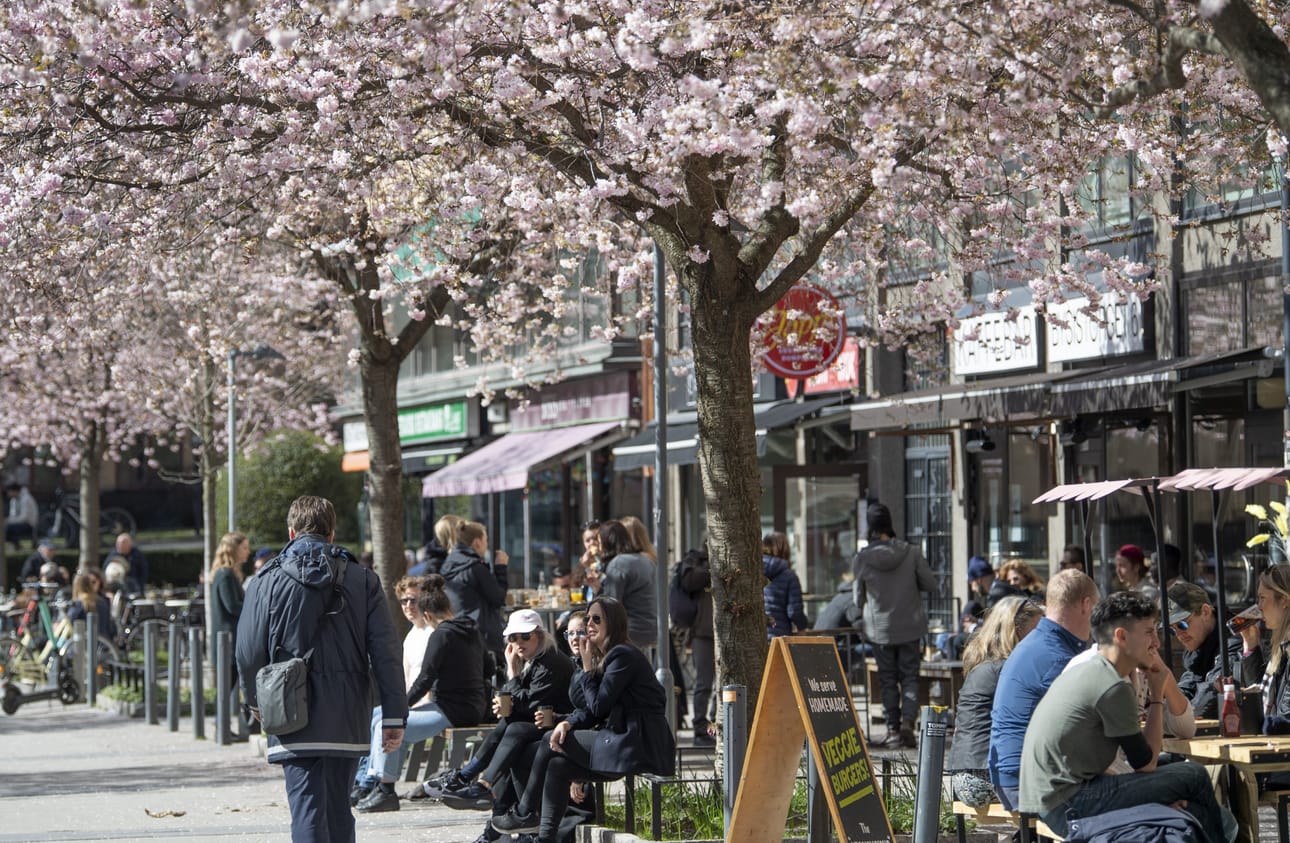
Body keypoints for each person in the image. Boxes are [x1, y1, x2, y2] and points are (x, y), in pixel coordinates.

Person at [235, 495, 407, 843]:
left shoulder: (265, 581)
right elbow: (386, 651)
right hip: (347, 712)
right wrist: (393, 716)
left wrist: (255, 700)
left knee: (307, 807)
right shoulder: (363, 579)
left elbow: (248, 649)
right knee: (339, 810)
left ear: (291, 532)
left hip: (289, 707)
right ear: (332, 534)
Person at [1018, 591, 1229, 843]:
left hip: (1056, 800)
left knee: (1191, 807)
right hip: (1070, 806)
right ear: (1122, 636)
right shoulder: (1111, 685)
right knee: (1194, 775)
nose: (1157, 643)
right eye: (1149, 632)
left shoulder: (1092, 669)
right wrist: (1157, 694)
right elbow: (1146, 763)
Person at [491, 596, 675, 843]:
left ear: (613, 623)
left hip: (638, 742)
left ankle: (525, 813)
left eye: (596, 619)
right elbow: (591, 709)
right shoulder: (606, 656)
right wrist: (567, 722)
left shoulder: (623, 655)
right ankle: (543, 838)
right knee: (557, 766)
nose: (589, 624)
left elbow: (599, 706)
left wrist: (588, 669)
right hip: (620, 738)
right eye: (588, 618)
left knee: (548, 741)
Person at [355, 573, 489, 813]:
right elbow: (488, 667)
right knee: (385, 720)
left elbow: (425, 679)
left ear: (427, 614)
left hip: (452, 710)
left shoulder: (442, 634)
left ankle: (385, 791)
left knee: (388, 723)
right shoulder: (472, 628)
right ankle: (377, 784)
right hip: (469, 706)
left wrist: (399, 708)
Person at [438, 608, 574, 815]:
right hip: (540, 722)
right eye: (513, 637)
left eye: (525, 636)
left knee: (515, 729)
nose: (519, 642)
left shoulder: (550, 662)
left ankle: (479, 782)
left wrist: (512, 675)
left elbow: (528, 705)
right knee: (508, 726)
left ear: (539, 635)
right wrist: (504, 703)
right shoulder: (534, 659)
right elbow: (523, 704)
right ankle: (471, 778)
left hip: (559, 724)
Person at [987, 568, 1097, 809]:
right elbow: (1087, 728)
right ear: (1086, 605)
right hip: (1027, 783)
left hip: (1013, 777)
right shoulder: (1057, 657)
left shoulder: (1039, 643)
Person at [852, 502, 937, 749]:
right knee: (910, 676)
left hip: (879, 630)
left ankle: (892, 729)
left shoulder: (862, 558)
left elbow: (857, 598)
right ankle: (909, 722)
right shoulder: (911, 552)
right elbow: (930, 584)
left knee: (887, 679)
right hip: (910, 625)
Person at [946, 596, 1044, 807]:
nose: (1041, 638)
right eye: (1036, 630)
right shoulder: (1007, 670)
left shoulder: (985, 664)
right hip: (984, 777)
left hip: (963, 774)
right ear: (1016, 631)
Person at [351, 575, 432, 807]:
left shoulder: (432, 633)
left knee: (383, 720)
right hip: (412, 702)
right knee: (373, 715)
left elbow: (429, 679)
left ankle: (374, 783)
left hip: (427, 703)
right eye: (404, 601)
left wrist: (403, 706)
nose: (408, 606)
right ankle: (363, 779)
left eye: (413, 600)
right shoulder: (411, 635)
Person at [1167, 580, 1242, 719]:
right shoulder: (1198, 648)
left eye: (1183, 624)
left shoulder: (1232, 642)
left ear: (1206, 612)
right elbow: (1188, 685)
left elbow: (1212, 692)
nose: (1179, 633)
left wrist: (1179, 715)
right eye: (1172, 629)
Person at [442, 520, 510, 667]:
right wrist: (501, 568)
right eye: (486, 540)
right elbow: (498, 598)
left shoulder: (447, 565)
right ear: (477, 542)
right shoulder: (475, 568)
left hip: (457, 630)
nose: (487, 545)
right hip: (482, 635)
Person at [584, 520, 656, 650]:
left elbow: (610, 607)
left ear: (607, 543)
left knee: (582, 633)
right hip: (653, 628)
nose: (599, 548)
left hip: (632, 630)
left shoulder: (618, 564)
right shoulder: (645, 560)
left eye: (600, 543)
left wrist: (597, 590)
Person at [677, 541, 716, 746]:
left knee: (724, 685)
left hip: (722, 633)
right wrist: (713, 569)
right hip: (703, 633)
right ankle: (701, 729)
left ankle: (716, 726)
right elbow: (689, 582)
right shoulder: (697, 563)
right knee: (704, 683)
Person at [210, 533, 250, 693]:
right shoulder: (225, 574)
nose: (248, 551)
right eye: (244, 548)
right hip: (228, 644)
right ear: (233, 550)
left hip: (228, 643)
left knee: (228, 691)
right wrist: (254, 609)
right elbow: (232, 606)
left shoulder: (226, 573)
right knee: (227, 691)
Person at [763, 532, 809, 639]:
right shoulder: (789, 576)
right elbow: (794, 611)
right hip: (779, 636)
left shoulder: (752, 574)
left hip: (756, 636)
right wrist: (801, 628)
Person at [66, 571, 114, 640]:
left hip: (83, 644)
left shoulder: (78, 604)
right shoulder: (102, 601)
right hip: (104, 642)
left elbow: (70, 622)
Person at [5, 483, 39, 550]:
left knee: (9, 528)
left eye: (9, 492)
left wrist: (8, 521)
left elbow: (24, 517)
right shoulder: (13, 500)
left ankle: (17, 546)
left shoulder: (26, 498)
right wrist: (7, 521)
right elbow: (12, 515)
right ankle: (17, 546)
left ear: (14, 491)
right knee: (5, 528)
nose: (8, 494)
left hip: (30, 524)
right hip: (19, 523)